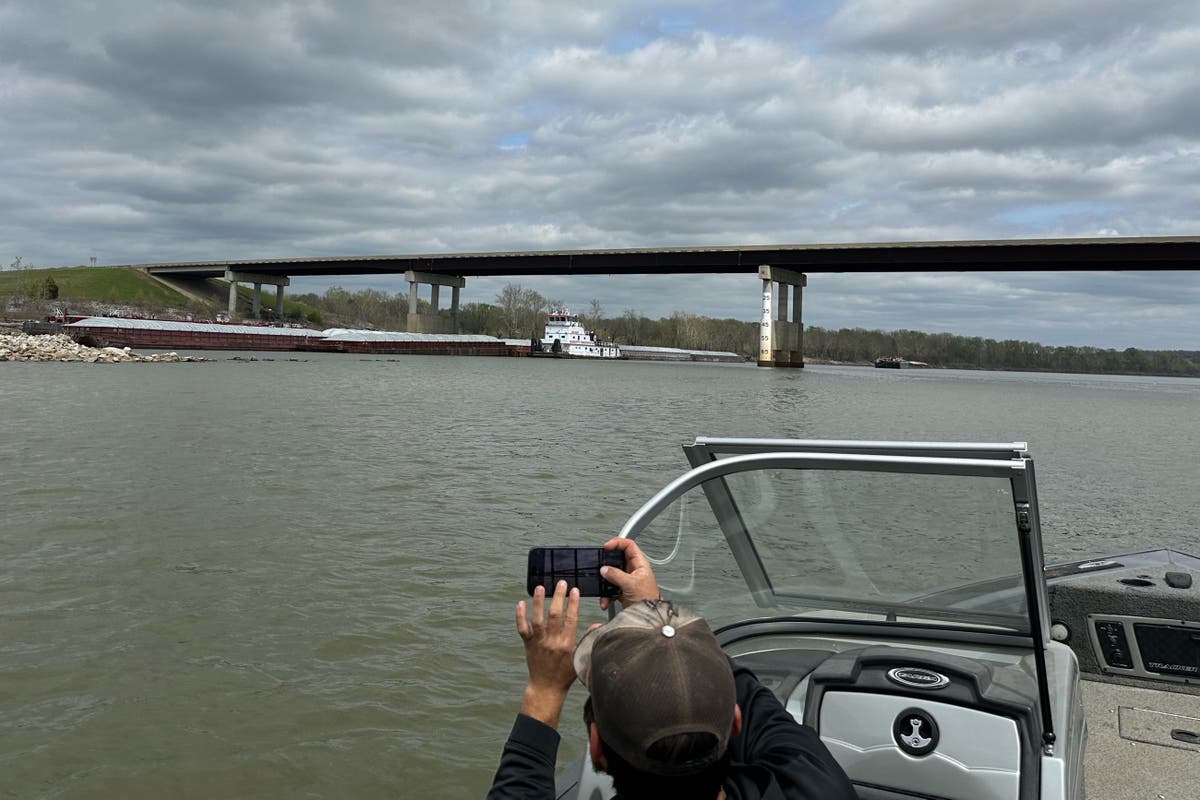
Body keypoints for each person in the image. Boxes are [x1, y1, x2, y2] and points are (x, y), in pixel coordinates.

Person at [487, 538, 857, 799]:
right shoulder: (815, 786)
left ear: (596, 747)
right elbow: (762, 710)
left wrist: (545, 692)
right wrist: (660, 619)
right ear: (735, 723)